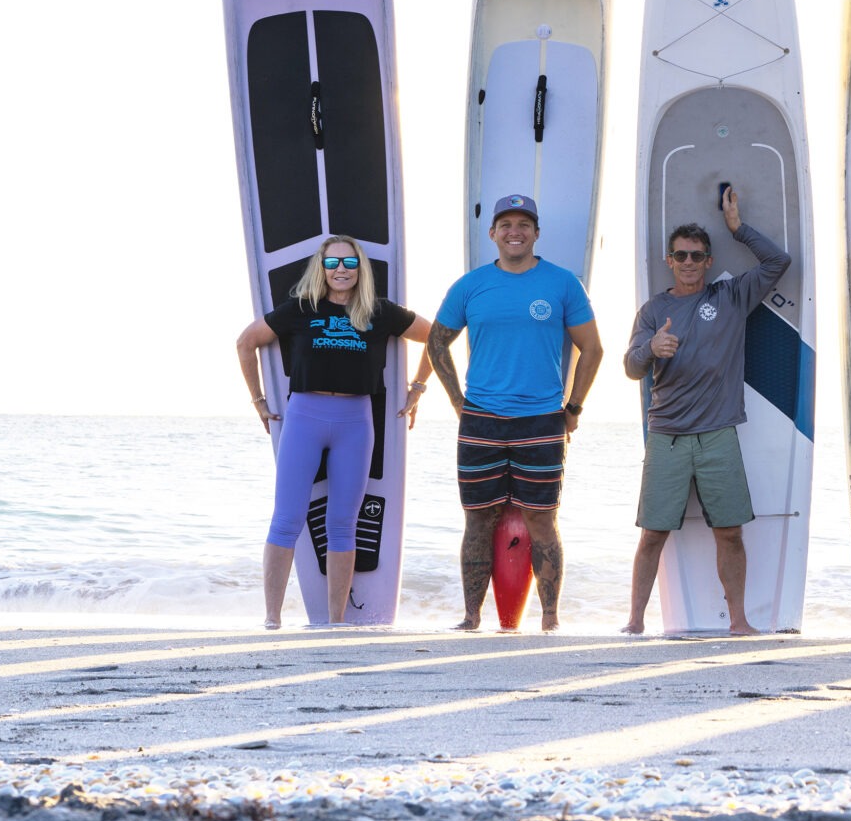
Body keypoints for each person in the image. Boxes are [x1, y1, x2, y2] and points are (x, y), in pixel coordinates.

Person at [619, 184, 792, 637]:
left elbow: (778, 263)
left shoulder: (730, 298)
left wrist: (738, 229)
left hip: (718, 434)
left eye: (697, 255)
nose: (689, 263)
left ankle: (739, 622)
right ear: (669, 261)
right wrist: (652, 349)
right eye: (681, 256)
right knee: (653, 534)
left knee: (730, 532)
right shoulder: (655, 310)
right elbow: (630, 368)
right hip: (668, 436)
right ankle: (635, 621)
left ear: (709, 261)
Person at [426, 194, 602, 632]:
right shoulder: (470, 285)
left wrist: (573, 407)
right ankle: (470, 617)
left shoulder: (562, 283)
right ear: (493, 234)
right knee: (478, 519)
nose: (515, 231)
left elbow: (593, 349)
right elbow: (435, 342)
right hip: (481, 419)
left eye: (524, 224)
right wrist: (455, 399)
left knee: (543, 519)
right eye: (506, 224)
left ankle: (550, 618)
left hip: (542, 419)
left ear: (536, 233)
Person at [235, 238, 429, 629]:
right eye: (332, 262)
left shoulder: (379, 312)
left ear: (361, 267)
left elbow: (439, 335)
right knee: (286, 519)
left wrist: (418, 387)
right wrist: (257, 398)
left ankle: (335, 622)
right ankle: (272, 619)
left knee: (343, 522)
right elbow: (246, 341)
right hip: (304, 415)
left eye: (350, 261)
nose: (341, 269)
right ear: (320, 267)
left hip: (356, 422)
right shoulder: (301, 309)